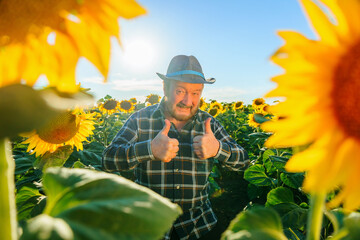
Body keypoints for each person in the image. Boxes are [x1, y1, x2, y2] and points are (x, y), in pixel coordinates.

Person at [102, 55, 249, 240]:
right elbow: (107, 159)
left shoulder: (209, 123)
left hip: (198, 226)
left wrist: (218, 148)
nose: (188, 101)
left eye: (196, 93)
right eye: (180, 91)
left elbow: (244, 161)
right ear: (165, 88)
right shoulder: (140, 119)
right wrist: (148, 150)